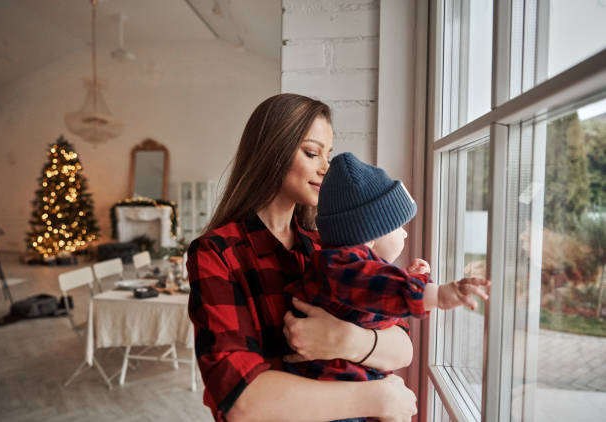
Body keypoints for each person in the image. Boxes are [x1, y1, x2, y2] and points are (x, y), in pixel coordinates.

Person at [187, 94, 418, 422]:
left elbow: (403, 346)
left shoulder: (329, 245)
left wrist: (345, 339)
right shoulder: (217, 252)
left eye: (329, 154)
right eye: (312, 153)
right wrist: (376, 398)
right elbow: (241, 400)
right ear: (273, 153)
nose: (326, 168)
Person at [283, 152, 490, 383]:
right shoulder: (339, 267)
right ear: (369, 236)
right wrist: (436, 294)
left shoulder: (345, 270)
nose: (405, 232)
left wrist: (408, 278)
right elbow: (376, 285)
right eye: (398, 226)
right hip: (335, 394)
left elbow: (372, 297)